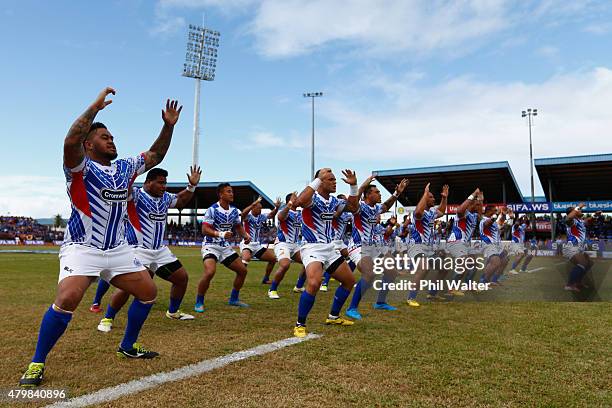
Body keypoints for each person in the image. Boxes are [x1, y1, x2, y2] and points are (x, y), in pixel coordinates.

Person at [19, 88, 182, 387]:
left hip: (118, 249)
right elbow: (69, 141)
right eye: (105, 137)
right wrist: (93, 110)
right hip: (83, 248)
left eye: (112, 137)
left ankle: (127, 347)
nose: (111, 140)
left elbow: (156, 153)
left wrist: (167, 126)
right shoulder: (79, 168)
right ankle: (36, 363)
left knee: (148, 293)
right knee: (67, 298)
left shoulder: (125, 168)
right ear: (88, 144)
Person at [97, 166, 201, 333]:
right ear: (148, 182)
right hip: (137, 250)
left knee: (181, 278)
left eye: (165, 183)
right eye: (160, 183)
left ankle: (173, 312)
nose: (164, 186)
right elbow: (122, 190)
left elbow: (181, 201)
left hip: (160, 251)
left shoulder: (165, 198)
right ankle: (108, 317)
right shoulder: (136, 195)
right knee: (127, 287)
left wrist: (191, 186)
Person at [292, 168, 359, 337]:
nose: (335, 182)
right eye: (331, 179)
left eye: (335, 179)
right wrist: (316, 180)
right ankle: (300, 324)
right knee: (314, 283)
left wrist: (353, 187)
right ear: (321, 181)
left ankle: (333, 316)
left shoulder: (335, 201)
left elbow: (353, 207)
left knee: (349, 281)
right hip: (312, 247)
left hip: (330, 248)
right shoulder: (312, 198)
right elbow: (299, 201)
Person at [345, 176, 409, 320]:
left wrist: (397, 193)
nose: (380, 194)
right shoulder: (359, 207)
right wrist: (361, 185)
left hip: (375, 246)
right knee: (369, 273)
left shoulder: (376, 209)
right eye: (377, 192)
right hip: (358, 246)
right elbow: (353, 201)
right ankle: (352, 308)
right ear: (368, 195)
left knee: (392, 271)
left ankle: (380, 302)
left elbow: (386, 205)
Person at [195, 183, 252, 312]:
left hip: (225, 248)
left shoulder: (234, 211)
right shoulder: (212, 209)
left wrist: (245, 236)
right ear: (221, 194)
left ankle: (233, 299)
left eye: (232, 191)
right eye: (228, 191)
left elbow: (238, 226)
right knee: (210, 272)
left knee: (242, 271)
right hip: (211, 246)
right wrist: (220, 234)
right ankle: (199, 301)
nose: (232, 194)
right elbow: (204, 229)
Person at [405, 183, 448, 307]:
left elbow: (441, 211)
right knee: (424, 267)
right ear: (424, 199)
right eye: (431, 197)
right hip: (416, 246)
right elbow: (418, 213)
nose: (434, 199)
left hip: (428, 248)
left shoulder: (431, 212)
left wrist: (444, 197)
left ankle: (432, 293)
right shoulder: (418, 212)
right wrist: (425, 193)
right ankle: (410, 298)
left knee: (444, 269)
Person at [268, 192, 305, 299]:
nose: (298, 199)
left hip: (295, 245)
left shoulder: (299, 214)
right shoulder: (285, 211)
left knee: (309, 262)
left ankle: (299, 286)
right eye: (295, 198)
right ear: (290, 200)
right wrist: (288, 205)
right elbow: (280, 217)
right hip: (282, 243)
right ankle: (272, 290)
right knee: (285, 265)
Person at [240, 196, 281, 284]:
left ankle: (265, 279)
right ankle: (239, 279)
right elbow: (243, 214)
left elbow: (271, 215)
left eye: (261, 209)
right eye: (258, 208)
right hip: (247, 244)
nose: (260, 210)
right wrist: (252, 204)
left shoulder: (261, 217)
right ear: (253, 208)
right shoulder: (249, 217)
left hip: (257, 245)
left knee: (273, 259)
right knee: (246, 259)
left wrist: (276, 208)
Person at [563, 203, 593, 291]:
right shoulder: (572, 221)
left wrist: (595, 215)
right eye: (578, 210)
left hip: (578, 248)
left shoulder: (580, 221)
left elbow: (588, 220)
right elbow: (568, 218)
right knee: (582, 263)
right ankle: (569, 285)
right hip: (572, 247)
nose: (580, 210)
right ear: (574, 212)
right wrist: (578, 207)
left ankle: (578, 282)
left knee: (588, 263)